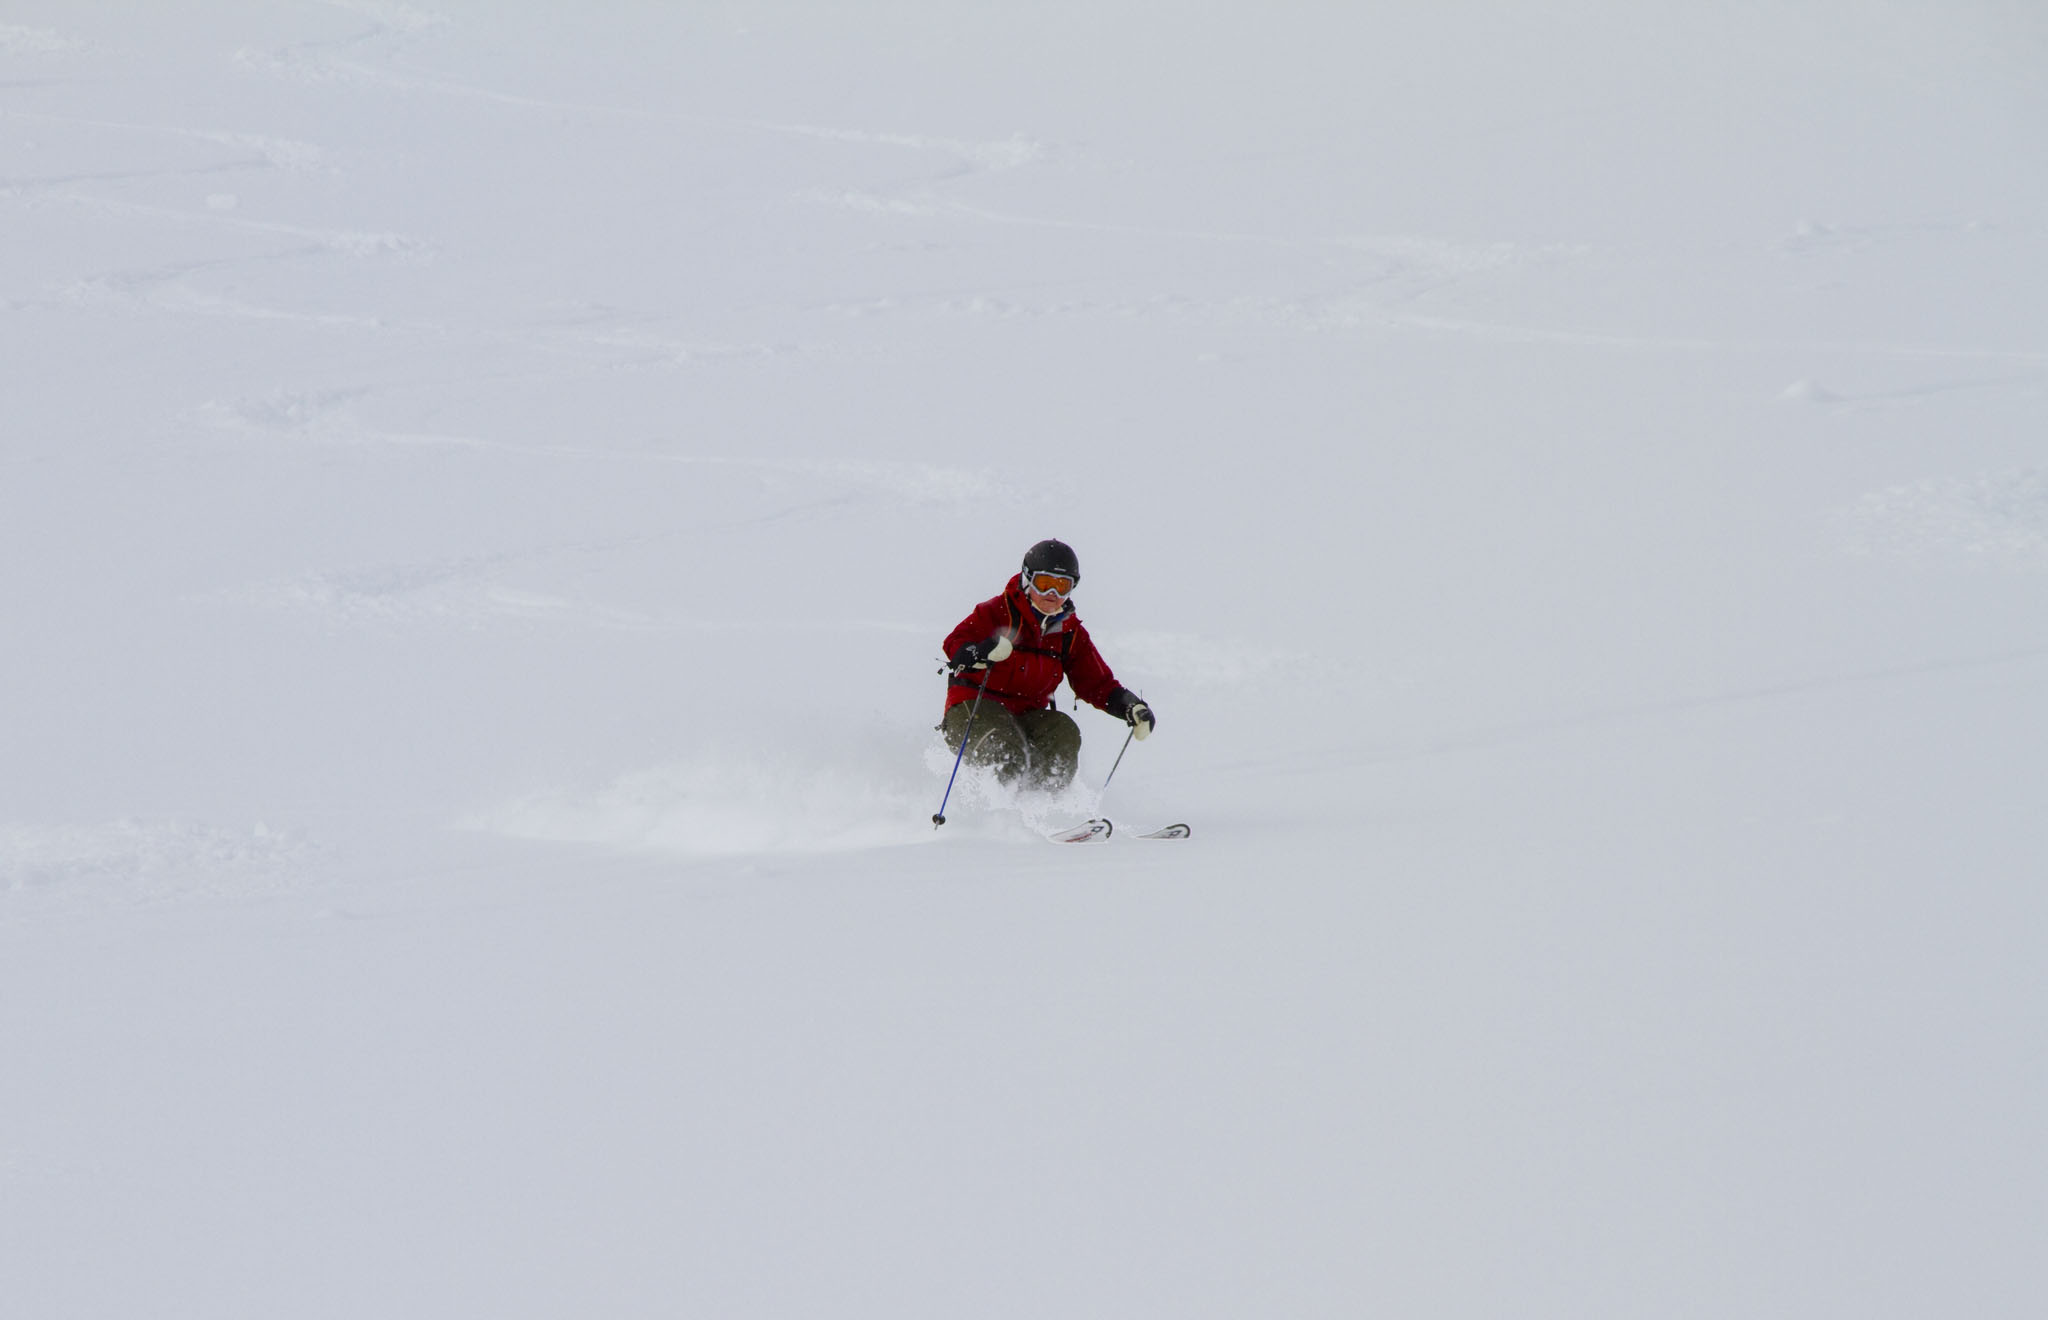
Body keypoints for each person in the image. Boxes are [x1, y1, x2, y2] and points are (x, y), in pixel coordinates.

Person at [940, 539, 1155, 792]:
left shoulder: (1070, 633)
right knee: (1005, 751)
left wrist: (1129, 705)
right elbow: (955, 645)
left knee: (1062, 733)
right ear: (1027, 579)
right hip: (973, 711)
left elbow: (1096, 683)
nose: (1052, 595)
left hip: (1026, 716)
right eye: (1045, 584)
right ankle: (996, 818)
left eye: (1062, 586)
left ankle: (1044, 811)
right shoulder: (997, 611)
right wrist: (983, 650)